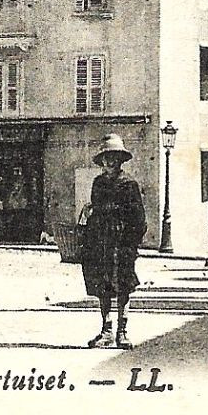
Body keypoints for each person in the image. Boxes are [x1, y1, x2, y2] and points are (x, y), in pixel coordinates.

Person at [80, 134, 146, 350]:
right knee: (102, 285)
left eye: (114, 157)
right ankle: (106, 331)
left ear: (121, 160)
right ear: (102, 160)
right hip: (101, 241)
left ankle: (122, 332)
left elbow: (138, 218)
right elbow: (96, 210)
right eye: (107, 157)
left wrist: (131, 244)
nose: (110, 162)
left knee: (123, 285)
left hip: (122, 241)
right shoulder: (98, 183)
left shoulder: (130, 185)